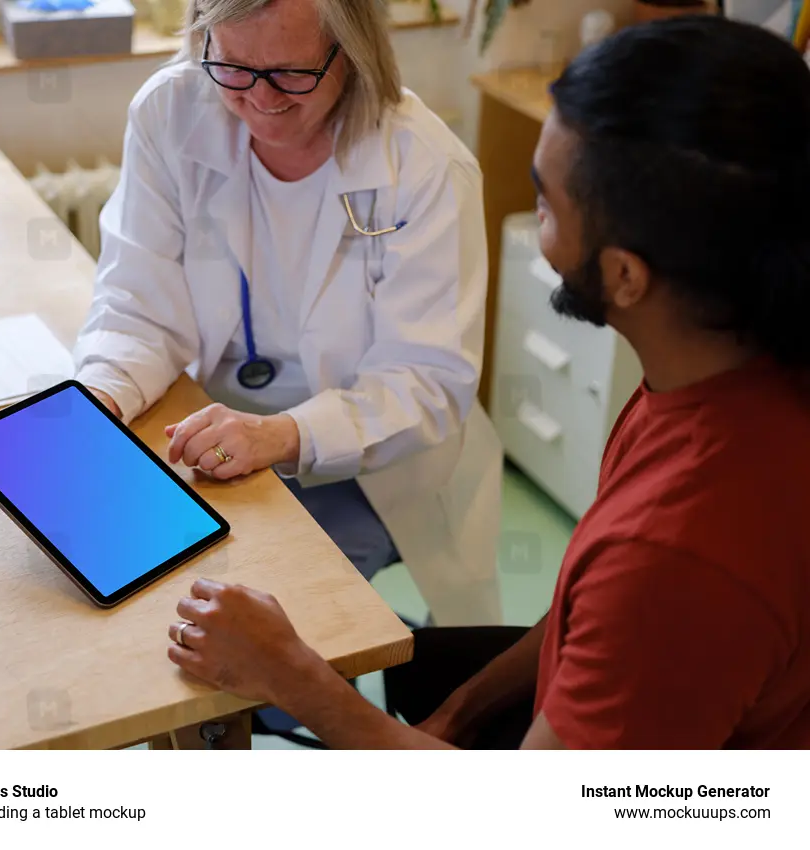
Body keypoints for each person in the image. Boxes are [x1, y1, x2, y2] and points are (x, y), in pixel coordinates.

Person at [166, 15, 810, 748]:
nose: (529, 212)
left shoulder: (680, 557)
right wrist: (461, 713)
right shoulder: (718, 378)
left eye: (543, 201)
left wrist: (290, 675)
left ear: (625, 275)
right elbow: (581, 610)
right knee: (426, 674)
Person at [73, 0, 503, 626]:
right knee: (127, 593)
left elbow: (426, 381)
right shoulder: (170, 113)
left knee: (260, 640)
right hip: (216, 431)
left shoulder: (426, 167)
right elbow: (138, 302)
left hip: (376, 462)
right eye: (233, 66)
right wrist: (102, 394)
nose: (260, 97)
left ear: (353, 52)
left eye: (291, 73)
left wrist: (279, 435)